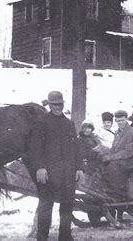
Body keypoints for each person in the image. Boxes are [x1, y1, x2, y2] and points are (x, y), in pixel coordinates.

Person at [31, 91, 85, 241]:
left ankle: (65, 237)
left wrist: (79, 168)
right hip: (48, 174)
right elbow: (35, 148)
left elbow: (76, 148)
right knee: (46, 207)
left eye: (60, 104)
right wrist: (40, 168)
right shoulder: (41, 123)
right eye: (54, 104)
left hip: (67, 174)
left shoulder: (69, 124)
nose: (57, 107)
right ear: (49, 105)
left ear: (63, 104)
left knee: (67, 207)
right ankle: (42, 238)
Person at [102, 110, 133, 193]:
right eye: (118, 121)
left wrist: (111, 157)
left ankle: (118, 192)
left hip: (130, 159)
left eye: (122, 120)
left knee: (113, 166)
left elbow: (128, 152)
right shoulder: (117, 132)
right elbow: (114, 147)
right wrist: (107, 153)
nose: (120, 123)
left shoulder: (132, 133)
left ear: (126, 119)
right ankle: (105, 188)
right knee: (101, 162)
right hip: (120, 158)